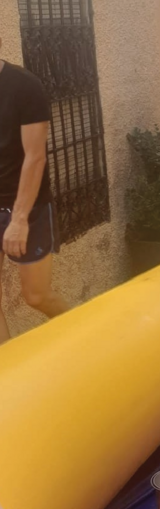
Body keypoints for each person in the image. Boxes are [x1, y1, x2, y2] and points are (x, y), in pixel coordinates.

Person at [0, 38, 70, 344]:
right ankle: (8, 368)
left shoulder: (24, 86)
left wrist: (18, 220)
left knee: (36, 296)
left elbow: (35, 157)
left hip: (27, 208)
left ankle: (85, 335)